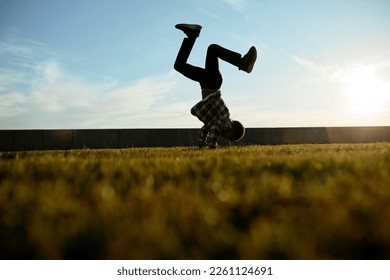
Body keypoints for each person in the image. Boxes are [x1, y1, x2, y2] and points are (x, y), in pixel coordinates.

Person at [173, 23, 257, 149]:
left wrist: (201, 144)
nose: (225, 137)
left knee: (179, 65)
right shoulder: (224, 121)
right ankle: (243, 63)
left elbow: (206, 129)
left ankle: (192, 35)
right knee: (212, 49)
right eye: (229, 137)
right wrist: (211, 146)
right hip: (211, 82)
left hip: (206, 81)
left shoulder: (215, 121)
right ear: (232, 128)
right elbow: (214, 131)